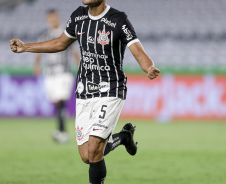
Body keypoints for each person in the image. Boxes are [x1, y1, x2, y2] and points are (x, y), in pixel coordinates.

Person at [10, 0, 160, 183]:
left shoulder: (118, 19)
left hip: (111, 89)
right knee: (87, 155)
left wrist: (149, 67)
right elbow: (60, 43)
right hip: (84, 91)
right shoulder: (78, 16)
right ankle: (124, 137)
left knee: (95, 147)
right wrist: (26, 47)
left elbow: (136, 49)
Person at [34, 9, 79, 144]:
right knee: (56, 102)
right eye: (50, 18)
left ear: (58, 18)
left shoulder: (67, 34)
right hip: (50, 74)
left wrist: (80, 66)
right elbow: (39, 52)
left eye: (54, 18)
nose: (52, 20)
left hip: (64, 73)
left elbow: (74, 52)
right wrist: (36, 64)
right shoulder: (44, 35)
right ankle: (61, 130)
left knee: (60, 100)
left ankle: (62, 131)